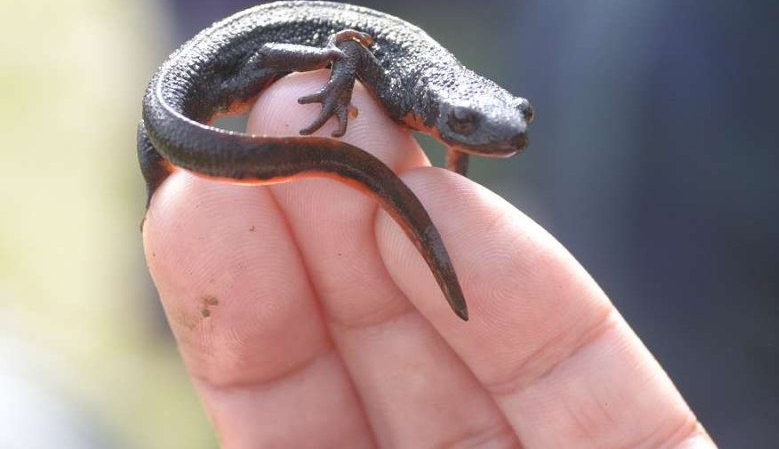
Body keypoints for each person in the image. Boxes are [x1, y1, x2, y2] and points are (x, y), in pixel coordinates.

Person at [142, 71, 717, 448]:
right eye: (465, 126)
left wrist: (456, 172)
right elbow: (352, 52)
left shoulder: (442, 104)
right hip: (209, 85)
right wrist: (339, 80)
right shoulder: (402, 88)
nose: (510, 136)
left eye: (521, 119)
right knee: (171, 136)